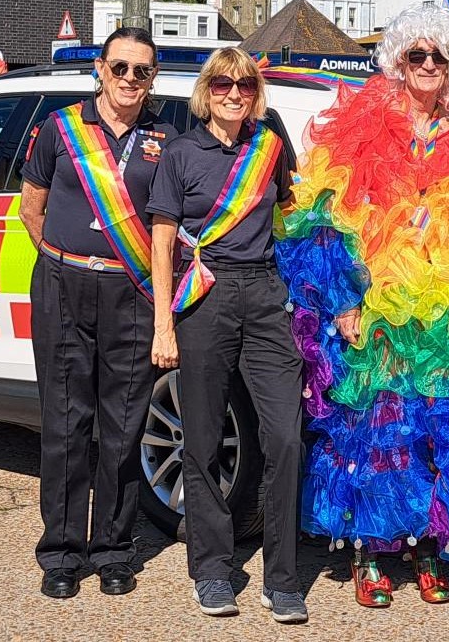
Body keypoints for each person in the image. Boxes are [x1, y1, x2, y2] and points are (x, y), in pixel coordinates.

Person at [275, 4, 449, 608]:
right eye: (418, 55)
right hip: (376, 310)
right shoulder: (364, 123)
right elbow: (320, 223)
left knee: (439, 428)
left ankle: (433, 548)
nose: (429, 66)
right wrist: (340, 301)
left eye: (440, 57)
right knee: (378, 431)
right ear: (399, 61)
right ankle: (374, 551)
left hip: (443, 316)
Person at [147, 47, 306, 624]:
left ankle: (282, 579)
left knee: (286, 437)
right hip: (205, 296)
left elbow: (293, 220)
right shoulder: (181, 153)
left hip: (265, 296)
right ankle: (212, 571)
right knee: (204, 440)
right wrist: (164, 322)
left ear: (255, 92)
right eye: (222, 84)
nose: (233, 93)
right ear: (206, 91)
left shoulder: (270, 149)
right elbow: (161, 242)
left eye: (243, 84)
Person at [19, 27, 177, 599]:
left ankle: (113, 549)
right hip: (63, 285)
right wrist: (66, 258)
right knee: (65, 426)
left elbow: (168, 225)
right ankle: (61, 553)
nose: (130, 79)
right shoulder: (60, 129)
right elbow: (30, 207)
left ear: (152, 77)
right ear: (100, 71)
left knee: (122, 428)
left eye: (142, 71)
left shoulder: (165, 135)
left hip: (130, 293)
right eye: (120, 68)